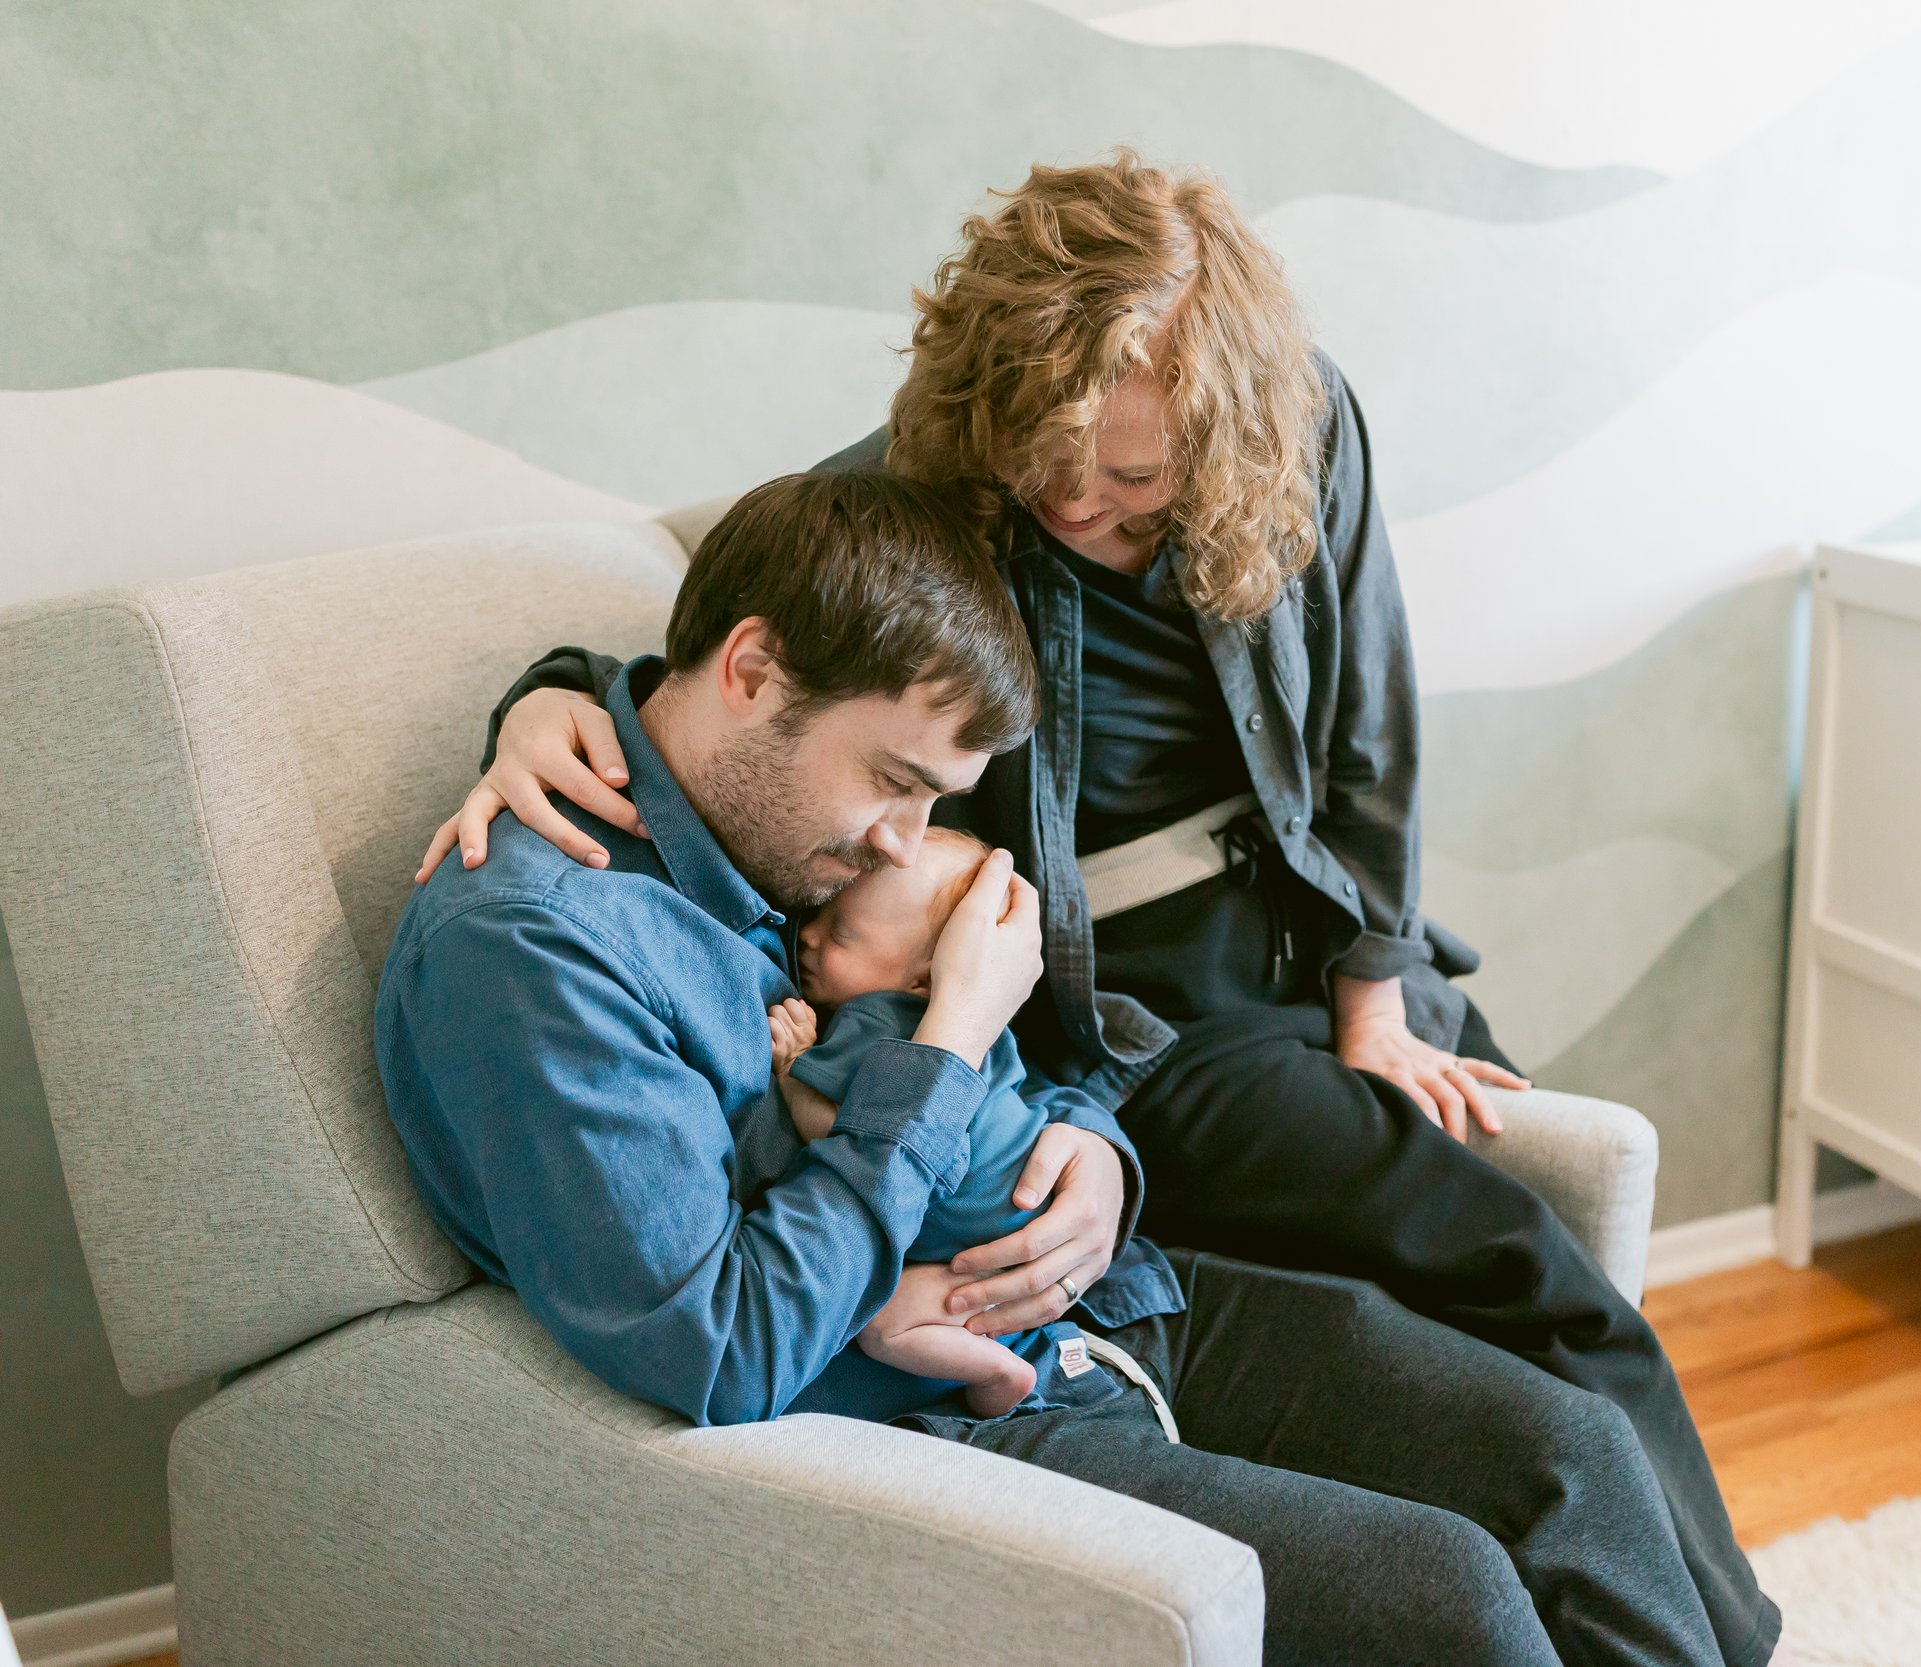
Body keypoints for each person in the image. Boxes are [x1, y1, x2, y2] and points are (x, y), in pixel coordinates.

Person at [416, 154, 1777, 1666]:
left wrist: (1326, 1022)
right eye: (1049, 461)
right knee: (1475, 1470)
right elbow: (738, 661)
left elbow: (1364, 731)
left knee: (1557, 1432)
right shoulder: (613, 903)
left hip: (1217, 1014)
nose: (1076, 502)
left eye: (1130, 480)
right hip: (1118, 1010)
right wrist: (542, 705)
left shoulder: (1306, 433)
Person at [767, 826, 1086, 1415]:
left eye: (841, 933)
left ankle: (999, 1372)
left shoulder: (871, 1021)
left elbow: (838, 1136)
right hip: (1036, 1195)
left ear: (923, 979)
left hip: (979, 1237)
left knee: (883, 1326)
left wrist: (792, 1070)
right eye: (823, 912)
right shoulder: (987, 1018)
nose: (806, 935)